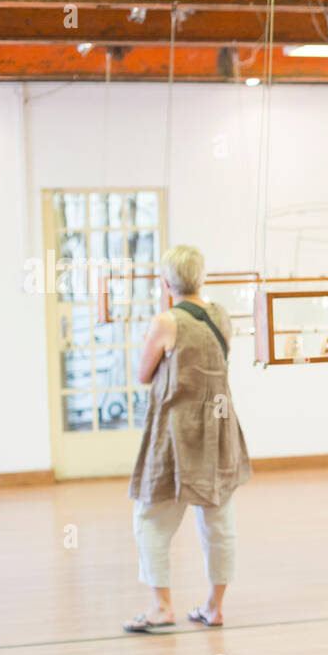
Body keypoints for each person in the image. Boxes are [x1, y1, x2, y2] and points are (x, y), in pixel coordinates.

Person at [124, 245, 252, 633]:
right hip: (218, 425)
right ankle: (214, 607)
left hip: (176, 432)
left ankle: (162, 608)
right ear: (203, 278)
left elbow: (144, 374)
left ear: (166, 283)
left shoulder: (166, 322)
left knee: (152, 517)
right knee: (218, 520)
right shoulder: (221, 316)